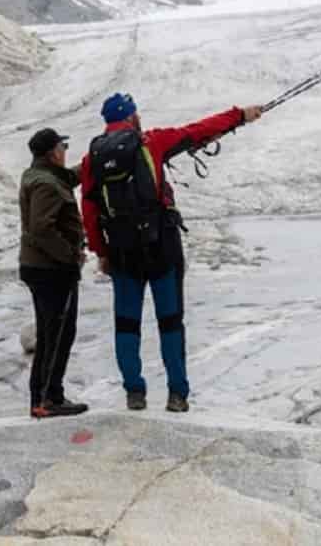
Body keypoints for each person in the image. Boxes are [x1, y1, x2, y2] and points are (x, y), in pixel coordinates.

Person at [80, 94, 263, 413]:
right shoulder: (152, 142)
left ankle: (134, 393)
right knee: (170, 321)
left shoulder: (91, 159)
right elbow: (198, 130)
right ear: (132, 116)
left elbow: (90, 210)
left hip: (123, 251)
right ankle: (177, 394)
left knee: (126, 324)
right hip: (161, 245)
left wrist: (101, 252)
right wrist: (240, 115)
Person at [19, 128, 89, 418]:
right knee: (58, 333)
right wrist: (70, 256)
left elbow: (69, 178)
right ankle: (48, 399)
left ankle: (45, 397)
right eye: (62, 145)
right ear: (52, 152)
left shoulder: (38, 175)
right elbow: (41, 229)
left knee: (51, 333)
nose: (65, 150)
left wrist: (92, 162)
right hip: (52, 270)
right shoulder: (46, 184)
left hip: (42, 267)